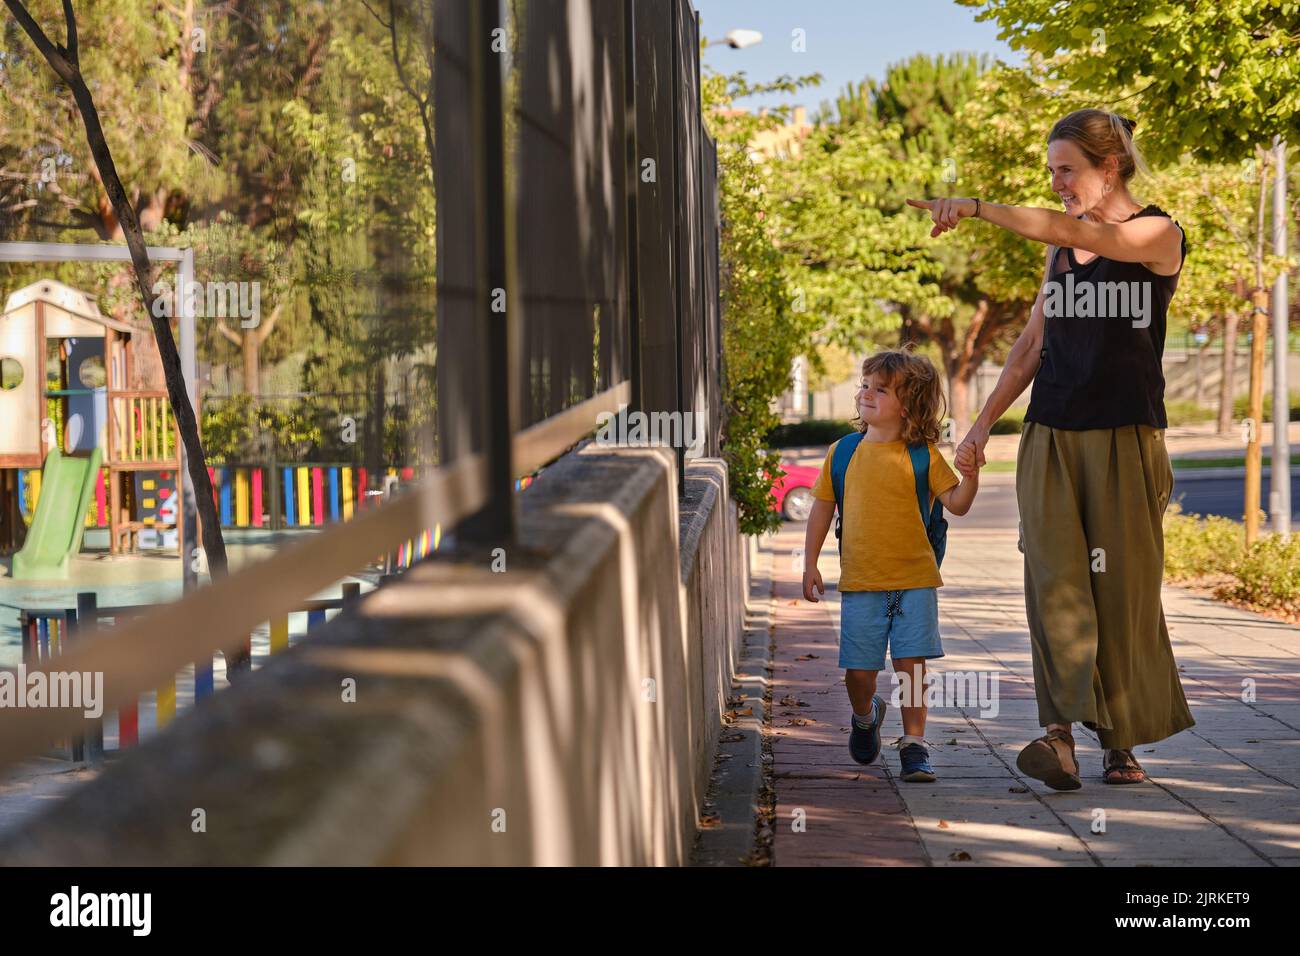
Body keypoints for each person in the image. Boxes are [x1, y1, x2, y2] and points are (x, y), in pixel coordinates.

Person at [907, 109, 1195, 790]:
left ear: (1110, 166)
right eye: (1052, 172)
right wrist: (980, 427)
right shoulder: (1060, 253)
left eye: (1068, 170)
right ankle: (1059, 736)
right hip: (1051, 433)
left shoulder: (1159, 235)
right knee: (1053, 587)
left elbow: (1077, 226)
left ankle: (1121, 741)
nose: (1060, 183)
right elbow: (1034, 344)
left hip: (1126, 437)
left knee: (1120, 592)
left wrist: (975, 207)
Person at [801, 348, 979, 782]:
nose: (866, 393)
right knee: (859, 674)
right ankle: (866, 716)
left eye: (881, 389)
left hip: (915, 581)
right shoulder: (843, 453)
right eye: (865, 385)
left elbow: (956, 504)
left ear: (908, 406)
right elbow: (822, 508)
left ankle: (914, 744)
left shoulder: (924, 456)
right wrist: (810, 563)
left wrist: (971, 476)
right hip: (861, 583)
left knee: (911, 667)